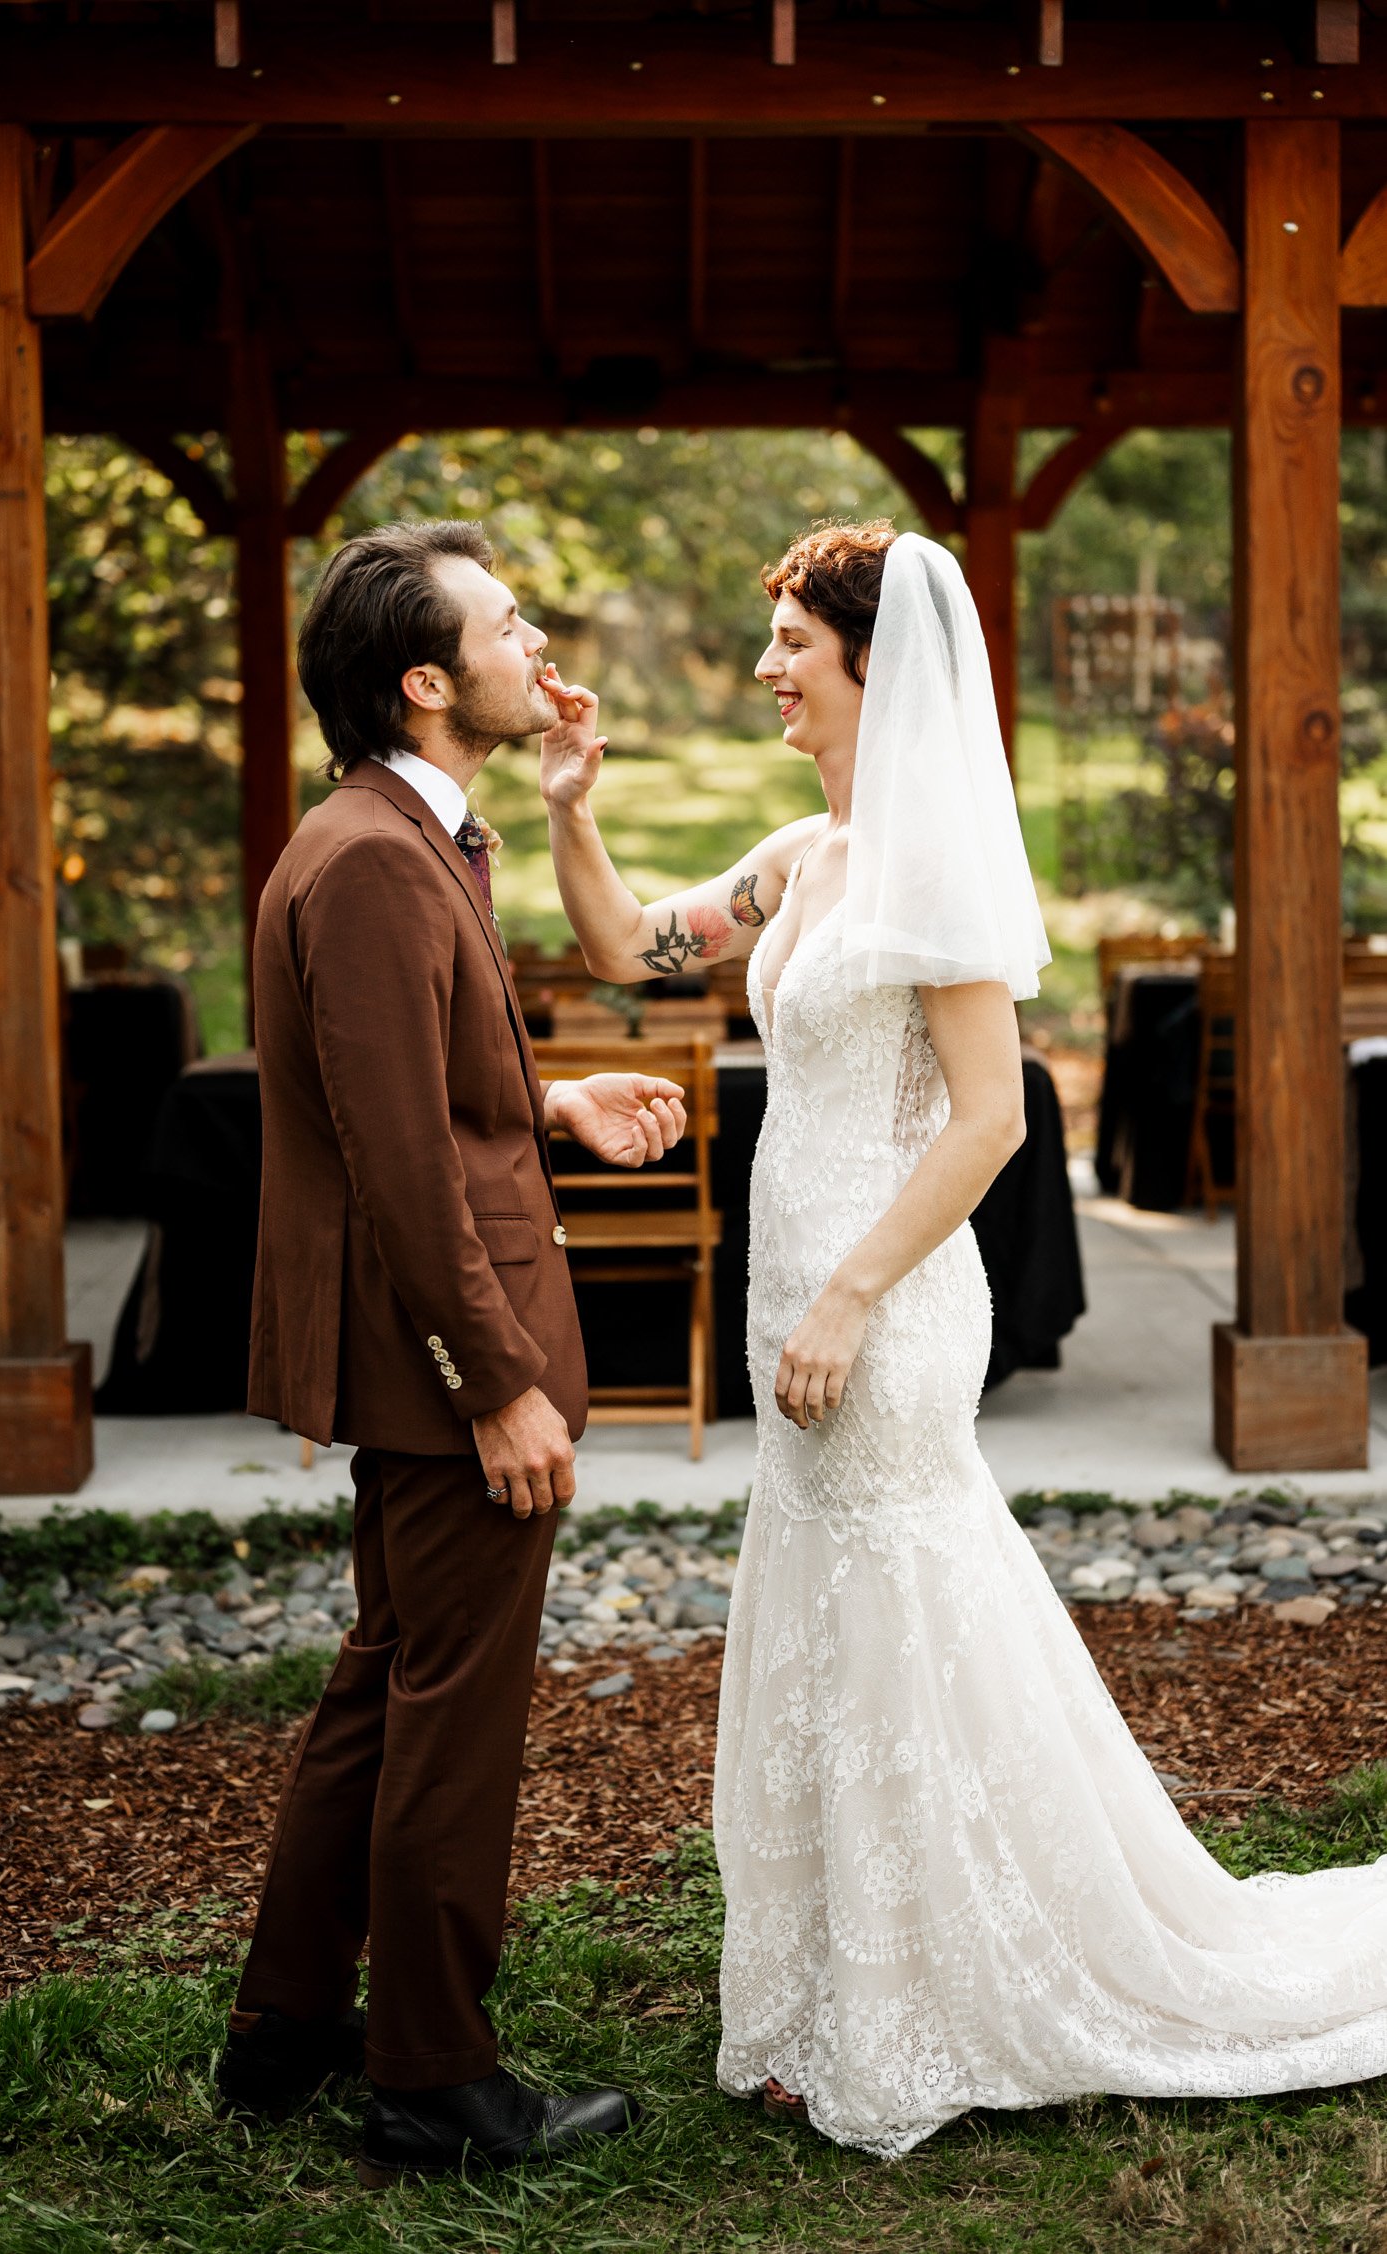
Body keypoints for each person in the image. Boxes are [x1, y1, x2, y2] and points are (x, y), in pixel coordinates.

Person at [540, 518, 1387, 2160]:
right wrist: (573, 809)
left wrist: (852, 1293)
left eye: (793, 640)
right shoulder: (801, 853)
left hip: (888, 1296)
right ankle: (841, 1984)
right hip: (801, 1290)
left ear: (876, 659)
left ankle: (935, 1991)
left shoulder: (936, 870)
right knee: (843, 1622)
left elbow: (994, 1120)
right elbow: (624, 945)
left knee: (899, 1607)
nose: (769, 667)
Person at [218, 520, 683, 2179]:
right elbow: (396, 1158)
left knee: (382, 1679)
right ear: (428, 681)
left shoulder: (415, 841)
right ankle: (430, 2073)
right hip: (451, 1361)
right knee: (456, 1710)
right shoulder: (362, 859)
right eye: (506, 620)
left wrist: (544, 1097)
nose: (535, 634)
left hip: (439, 1344)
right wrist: (497, 1383)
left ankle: (283, 2024)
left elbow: (422, 1085)